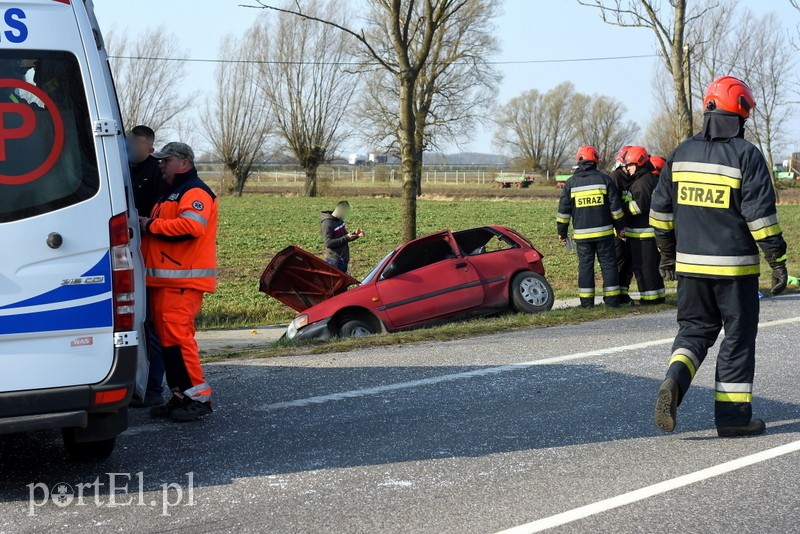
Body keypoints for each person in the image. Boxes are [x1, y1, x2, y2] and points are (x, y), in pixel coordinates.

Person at [650, 76, 788, 437]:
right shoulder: (747, 155)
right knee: (737, 339)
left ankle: (674, 381)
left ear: (708, 110)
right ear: (739, 116)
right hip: (735, 271)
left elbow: (660, 214)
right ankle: (733, 420)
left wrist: (667, 257)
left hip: (690, 268)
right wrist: (777, 260)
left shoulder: (681, 154)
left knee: (694, 333)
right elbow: (760, 216)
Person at [139, 142, 218, 422]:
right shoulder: (171, 192)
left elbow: (191, 227)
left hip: (182, 282)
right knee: (170, 342)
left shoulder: (194, 191)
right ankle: (181, 395)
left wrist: (149, 224)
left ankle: (199, 398)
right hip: (167, 282)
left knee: (179, 341)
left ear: (184, 162)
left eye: (166, 160)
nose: (160, 164)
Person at [557, 145, 626, 308]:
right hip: (604, 234)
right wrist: (620, 226)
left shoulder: (570, 183)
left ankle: (587, 303)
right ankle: (612, 301)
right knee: (609, 265)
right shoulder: (604, 180)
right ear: (595, 161)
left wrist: (562, 232)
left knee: (585, 267)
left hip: (582, 236)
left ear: (579, 161)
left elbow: (563, 212)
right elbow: (615, 209)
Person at [127, 125, 166, 409]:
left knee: (153, 328)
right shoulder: (119, 167)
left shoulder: (156, 175)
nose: (129, 150)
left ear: (149, 149)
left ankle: (153, 388)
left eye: (134, 146)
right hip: (127, 254)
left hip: (149, 258)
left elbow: (159, 219)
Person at [621, 146, 666, 305]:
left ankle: (650, 299)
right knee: (651, 268)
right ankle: (657, 296)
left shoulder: (642, 183)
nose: (627, 168)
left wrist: (622, 209)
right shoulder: (648, 179)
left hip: (643, 234)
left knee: (644, 269)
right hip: (645, 233)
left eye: (630, 165)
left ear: (639, 164)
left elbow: (638, 207)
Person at [609, 146, 635, 304]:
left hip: (626, 229)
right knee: (618, 262)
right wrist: (618, 227)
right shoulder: (616, 178)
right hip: (617, 231)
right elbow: (613, 206)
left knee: (627, 263)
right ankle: (613, 296)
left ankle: (623, 294)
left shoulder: (628, 178)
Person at [128, 125, 164, 216]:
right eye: (130, 143)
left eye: (137, 146)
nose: (131, 148)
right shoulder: (118, 165)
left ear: (150, 150)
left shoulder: (158, 172)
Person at [320, 200, 364, 273]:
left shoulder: (340, 221)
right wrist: (346, 237)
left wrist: (355, 234)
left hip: (343, 260)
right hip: (334, 261)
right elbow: (328, 243)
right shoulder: (327, 223)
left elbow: (344, 237)